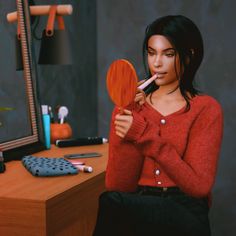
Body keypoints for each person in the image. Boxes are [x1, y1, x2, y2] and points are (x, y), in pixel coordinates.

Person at [93, 15, 223, 236]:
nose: (156, 63)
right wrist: (131, 111)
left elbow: (198, 186)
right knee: (113, 201)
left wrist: (143, 132)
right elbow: (119, 185)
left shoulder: (206, 109)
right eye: (152, 52)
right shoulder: (132, 106)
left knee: (111, 204)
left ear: (189, 56)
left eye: (168, 54)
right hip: (140, 203)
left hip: (186, 210)